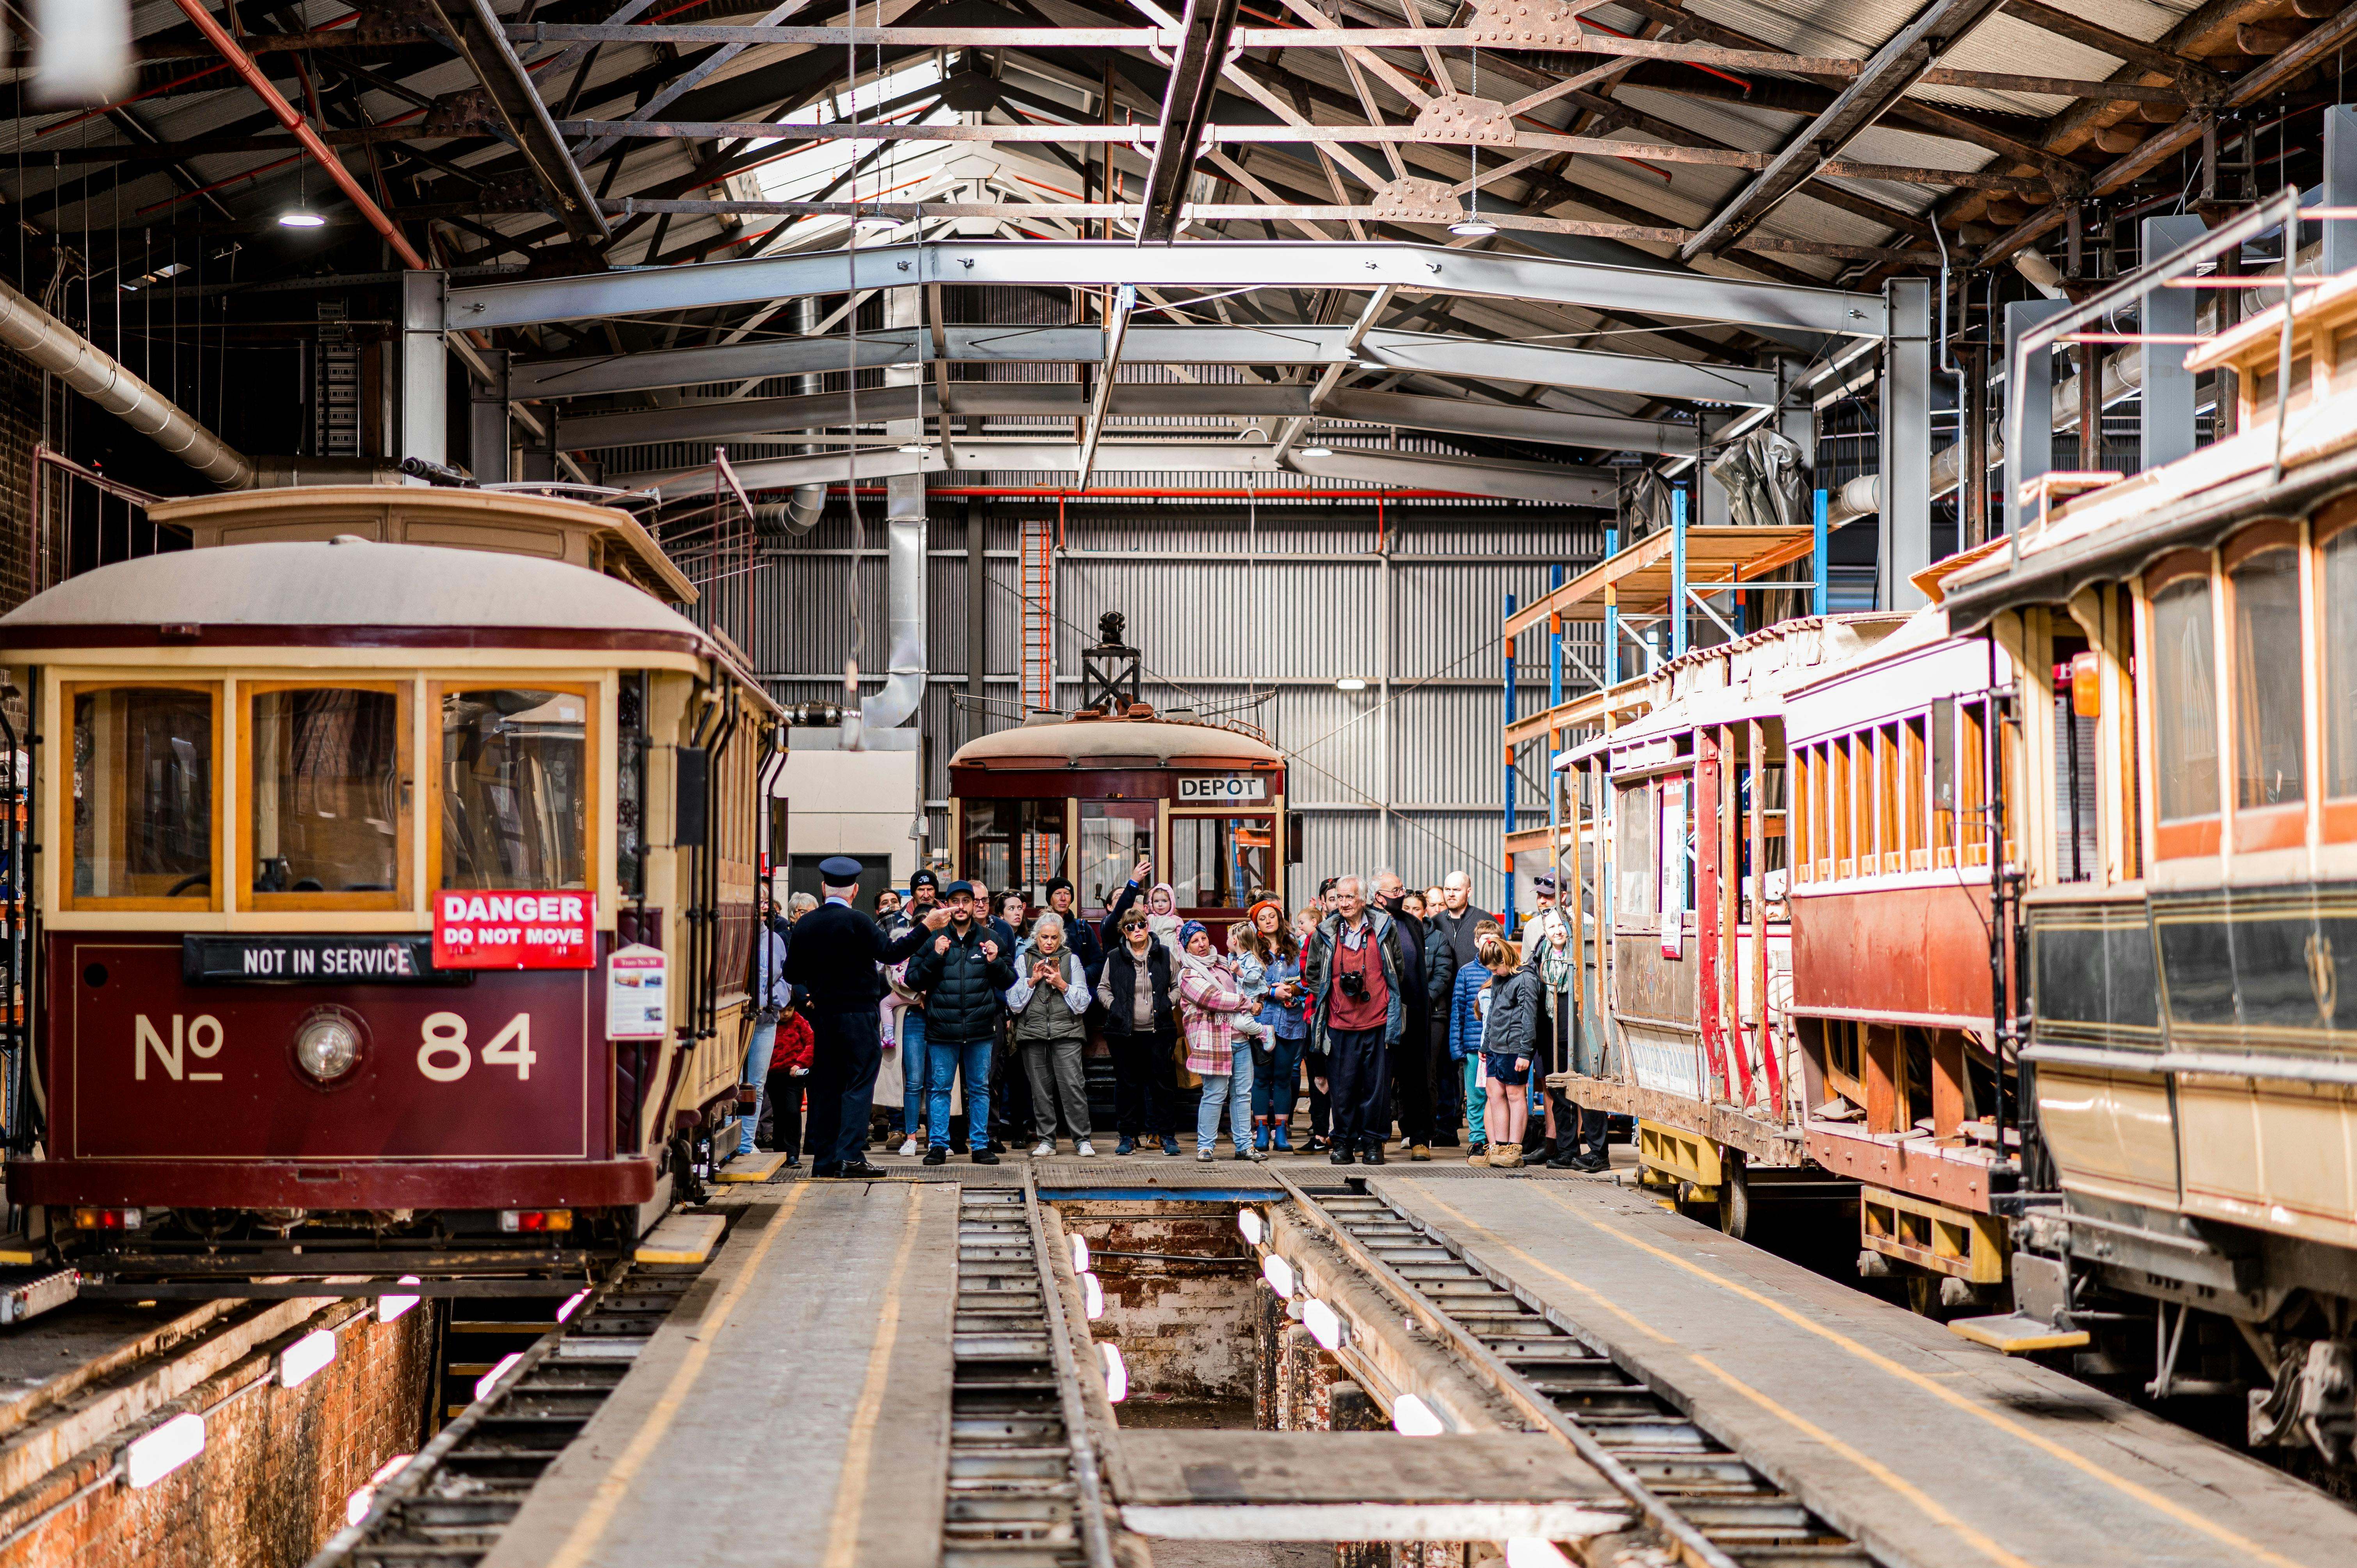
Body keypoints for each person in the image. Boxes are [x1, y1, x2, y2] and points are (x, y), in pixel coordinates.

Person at [784, 857, 949, 1177]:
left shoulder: (805, 924)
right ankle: (850, 1156)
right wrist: (928, 927)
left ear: (823, 888)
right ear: (855, 890)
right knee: (859, 1083)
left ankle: (825, 1160)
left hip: (823, 1016)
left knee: (827, 1086)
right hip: (858, 1015)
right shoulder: (859, 922)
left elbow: (792, 973)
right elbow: (893, 953)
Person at [1302, 875, 1411, 1167]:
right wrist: (1334, 997)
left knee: (1375, 1089)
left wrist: (1380, 998)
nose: (1344, 903)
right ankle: (1343, 1143)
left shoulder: (1384, 929)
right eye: (1339, 898)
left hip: (1377, 1023)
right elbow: (1313, 975)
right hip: (1339, 1025)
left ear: (1363, 899)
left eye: (1350, 897)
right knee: (1342, 1088)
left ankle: (1374, 1143)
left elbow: (1396, 970)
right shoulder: (1324, 933)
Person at [906, 880, 1015, 1166]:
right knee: (940, 1088)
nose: (963, 906)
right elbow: (912, 979)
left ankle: (980, 1145)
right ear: (947, 905)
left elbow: (1010, 981)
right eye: (957, 901)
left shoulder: (990, 937)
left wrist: (994, 960)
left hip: (980, 1029)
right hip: (943, 1028)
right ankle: (938, 1145)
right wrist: (935, 955)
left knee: (980, 1088)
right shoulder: (933, 937)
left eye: (968, 900)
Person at [1095, 902, 1182, 1156]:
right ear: (1124, 931)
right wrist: (1115, 1008)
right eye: (1131, 926)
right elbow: (1102, 988)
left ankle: (1167, 1136)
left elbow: (1179, 983)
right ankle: (1127, 1136)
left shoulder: (1164, 954)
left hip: (1159, 1031)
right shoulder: (1115, 957)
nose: (1137, 929)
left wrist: (1169, 1001)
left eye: (1141, 924)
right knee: (1127, 1086)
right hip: (1124, 1033)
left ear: (1148, 927)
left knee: (1162, 1086)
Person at [1007, 911, 1095, 1158]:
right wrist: (1032, 981)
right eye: (1044, 937)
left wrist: (1061, 983)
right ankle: (1047, 1140)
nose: (1048, 942)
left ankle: (1082, 1140)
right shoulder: (1023, 960)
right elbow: (1013, 1004)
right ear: (1036, 937)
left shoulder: (1072, 960)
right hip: (1033, 1033)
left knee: (1073, 1087)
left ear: (1061, 939)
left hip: (1067, 1032)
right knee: (1040, 1090)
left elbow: (1083, 1003)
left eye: (1054, 938)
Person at [1177, 921, 1262, 1162]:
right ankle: (1205, 1147)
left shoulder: (1224, 964)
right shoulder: (1187, 974)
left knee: (1243, 1094)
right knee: (1214, 1093)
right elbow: (1212, 999)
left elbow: (1246, 984)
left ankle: (1245, 1146)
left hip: (1240, 1039)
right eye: (1194, 941)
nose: (1201, 944)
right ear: (1187, 947)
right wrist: (1247, 1002)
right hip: (1213, 1041)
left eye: (1203, 938)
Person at [1424, 871, 1492, 1147]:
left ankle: (1482, 1130)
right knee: (1443, 1067)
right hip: (1441, 1007)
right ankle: (1446, 1126)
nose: (1451, 894)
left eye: (1457, 889)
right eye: (1447, 889)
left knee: (1475, 1069)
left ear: (1469, 891)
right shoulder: (1435, 923)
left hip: (1473, 1009)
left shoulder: (1482, 920)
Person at [1373, 868, 1434, 1161]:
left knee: (1416, 1078)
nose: (1402, 895)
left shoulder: (1412, 922)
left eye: (1402, 889)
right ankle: (1378, 1138)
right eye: (1395, 891)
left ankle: (1419, 1138)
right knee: (1381, 1077)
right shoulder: (1370, 925)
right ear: (1378, 897)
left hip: (1415, 1009)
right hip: (1383, 1012)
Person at [732, 888, 793, 1160]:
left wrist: (770, 999)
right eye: (759, 899)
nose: (764, 905)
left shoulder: (777, 940)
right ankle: (728, 1140)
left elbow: (786, 980)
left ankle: (746, 1143)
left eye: (767, 900)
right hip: (736, 1021)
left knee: (756, 1084)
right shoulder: (735, 935)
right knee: (731, 1084)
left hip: (765, 1021)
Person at [1475, 930, 1541, 1170]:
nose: (1492, 974)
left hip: (1514, 1048)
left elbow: (1528, 1017)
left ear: (1504, 961)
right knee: (1495, 1094)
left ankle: (1514, 1149)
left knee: (1515, 1096)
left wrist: (1525, 1053)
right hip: (1495, 1047)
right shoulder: (1500, 978)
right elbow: (1492, 1012)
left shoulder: (1525, 979)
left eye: (1494, 969)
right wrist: (1486, 1045)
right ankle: (1499, 1147)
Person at [1247, 900, 1308, 1152]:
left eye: (1273, 916)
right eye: (1263, 918)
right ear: (1256, 924)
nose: (1269, 921)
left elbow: (1307, 980)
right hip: (1262, 1023)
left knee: (1283, 1078)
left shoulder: (1296, 945)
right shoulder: (1251, 950)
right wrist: (1273, 991)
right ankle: (1262, 1132)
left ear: (1280, 919)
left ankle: (1281, 1132)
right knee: (1261, 1078)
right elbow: (1245, 984)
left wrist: (1292, 992)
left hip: (1291, 1022)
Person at [887, 870, 941, 1151]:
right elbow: (894, 971)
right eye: (921, 889)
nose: (926, 893)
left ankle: (936, 1137)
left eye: (931, 888)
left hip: (940, 1015)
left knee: (937, 1082)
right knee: (914, 1079)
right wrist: (916, 994)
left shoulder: (947, 931)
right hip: (912, 1015)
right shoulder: (898, 927)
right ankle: (909, 1135)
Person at [1293, 903, 1332, 1150]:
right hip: (1316, 1014)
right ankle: (1319, 1135)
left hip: (1343, 1018)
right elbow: (1307, 975)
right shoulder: (1313, 940)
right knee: (1318, 1077)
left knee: (1341, 1077)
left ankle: (1339, 1133)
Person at [760, 1007, 814, 1166]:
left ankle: (792, 1154)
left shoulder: (800, 1022)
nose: (785, 1015)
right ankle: (779, 1153)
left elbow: (811, 1043)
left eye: (789, 1010)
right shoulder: (770, 1022)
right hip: (773, 1074)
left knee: (792, 1112)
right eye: (782, 1010)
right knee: (779, 1113)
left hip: (793, 1075)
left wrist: (800, 1063)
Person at [1044, 875, 1105, 982]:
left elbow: (1098, 963)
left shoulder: (1082, 928)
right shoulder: (1041, 928)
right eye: (1058, 894)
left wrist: (1080, 975)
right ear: (1050, 898)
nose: (1063, 898)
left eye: (1067, 894)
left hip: (1077, 990)